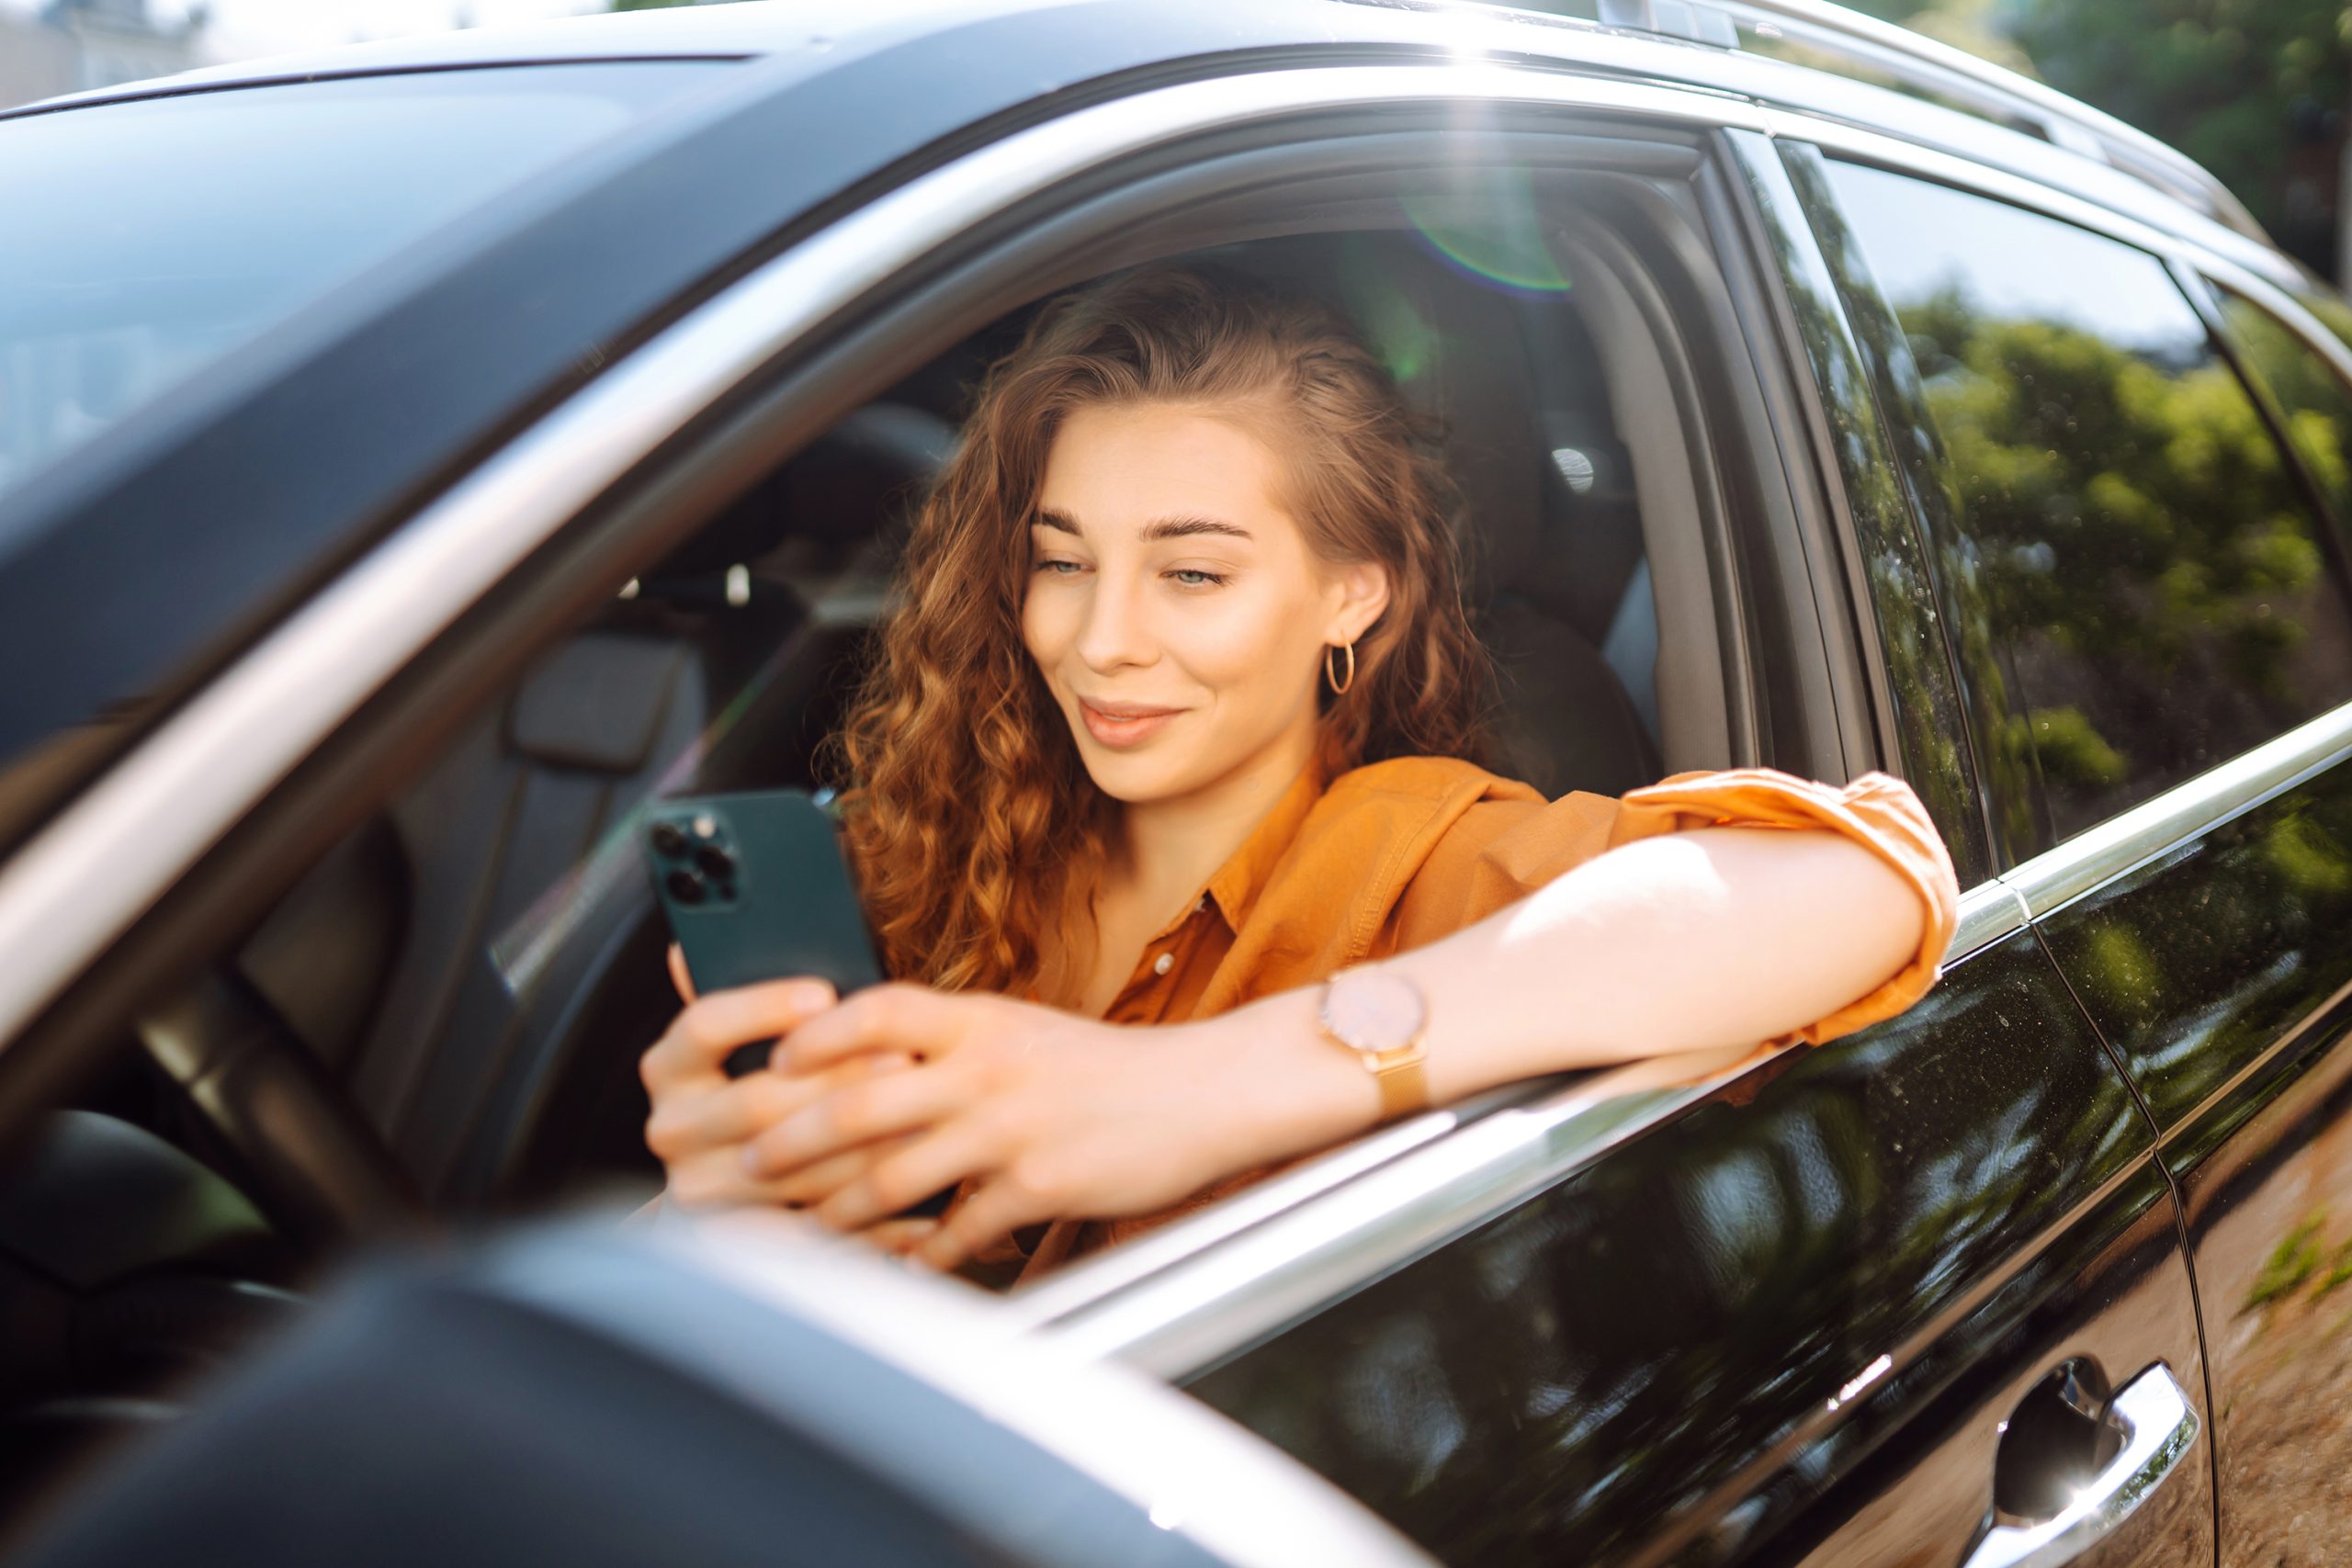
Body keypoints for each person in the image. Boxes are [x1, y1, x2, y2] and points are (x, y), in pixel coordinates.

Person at [638, 265, 1959, 1278]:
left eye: (1193, 572)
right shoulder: (919, 852)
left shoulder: (1418, 864)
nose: (1099, 641)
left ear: (1352, 595)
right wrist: (714, 1210)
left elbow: (1864, 884)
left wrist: (1190, 1091)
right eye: (1061, 559)